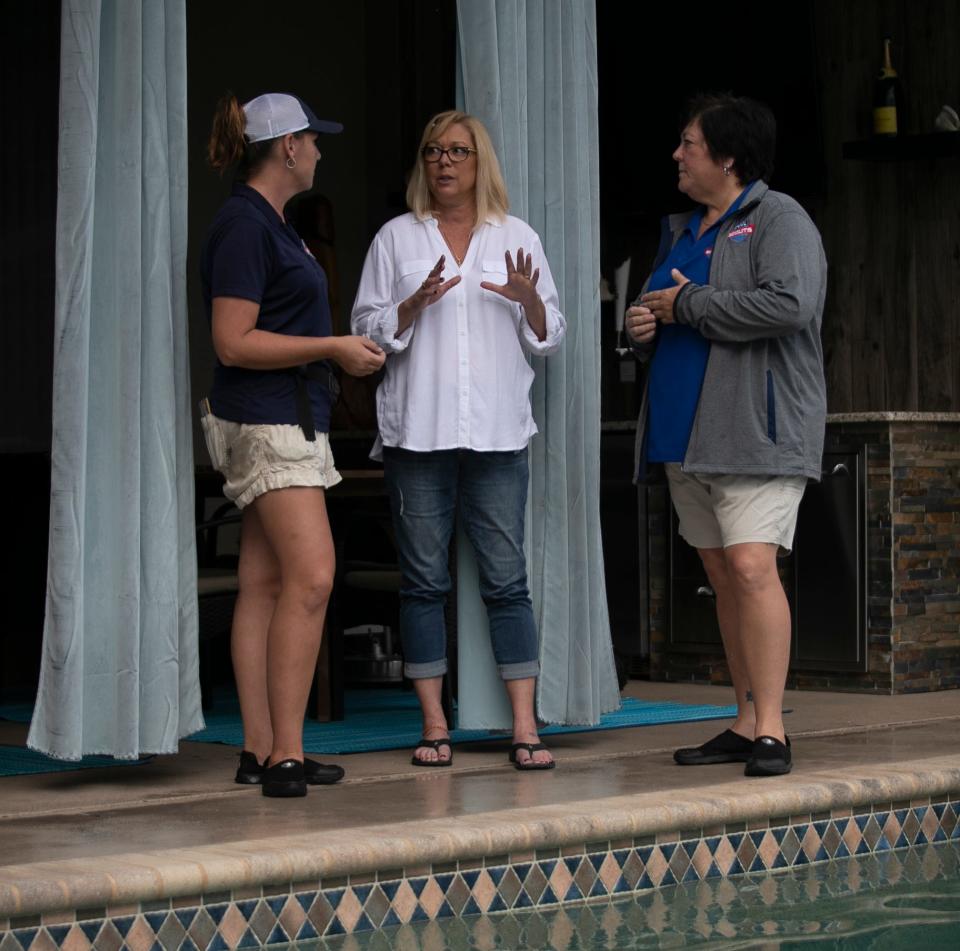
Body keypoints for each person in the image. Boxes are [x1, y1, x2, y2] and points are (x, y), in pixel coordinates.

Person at [351, 110, 565, 770]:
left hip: (498, 432)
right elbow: (365, 329)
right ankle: (434, 723)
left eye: (458, 151)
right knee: (423, 583)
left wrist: (529, 301)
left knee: (507, 581)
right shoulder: (397, 239)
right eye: (433, 150)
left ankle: (523, 727)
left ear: (480, 162)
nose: (444, 162)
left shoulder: (516, 235)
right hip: (419, 432)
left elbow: (552, 331)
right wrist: (410, 306)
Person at [626, 94, 827, 777]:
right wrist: (644, 325)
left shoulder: (779, 217)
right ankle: (744, 719)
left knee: (750, 567)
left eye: (688, 144)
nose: (677, 156)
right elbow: (667, 308)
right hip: (687, 436)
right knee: (720, 573)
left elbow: (791, 303)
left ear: (728, 156)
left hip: (756, 432)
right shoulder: (681, 228)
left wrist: (689, 304)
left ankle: (773, 728)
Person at [200, 92, 385, 797]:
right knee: (312, 577)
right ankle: (285, 753)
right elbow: (232, 340)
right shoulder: (246, 226)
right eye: (314, 140)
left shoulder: (267, 222)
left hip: (276, 414)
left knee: (266, 582)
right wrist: (334, 346)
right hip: (271, 420)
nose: (320, 151)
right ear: (287, 147)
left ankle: (259, 748)